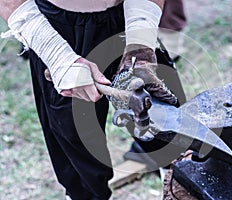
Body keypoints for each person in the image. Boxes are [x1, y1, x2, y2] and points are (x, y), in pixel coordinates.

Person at [0, 0, 179, 199]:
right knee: (80, 160)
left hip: (132, 14)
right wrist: (59, 59)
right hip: (55, 33)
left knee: (173, 135)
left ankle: (176, 181)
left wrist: (141, 46)